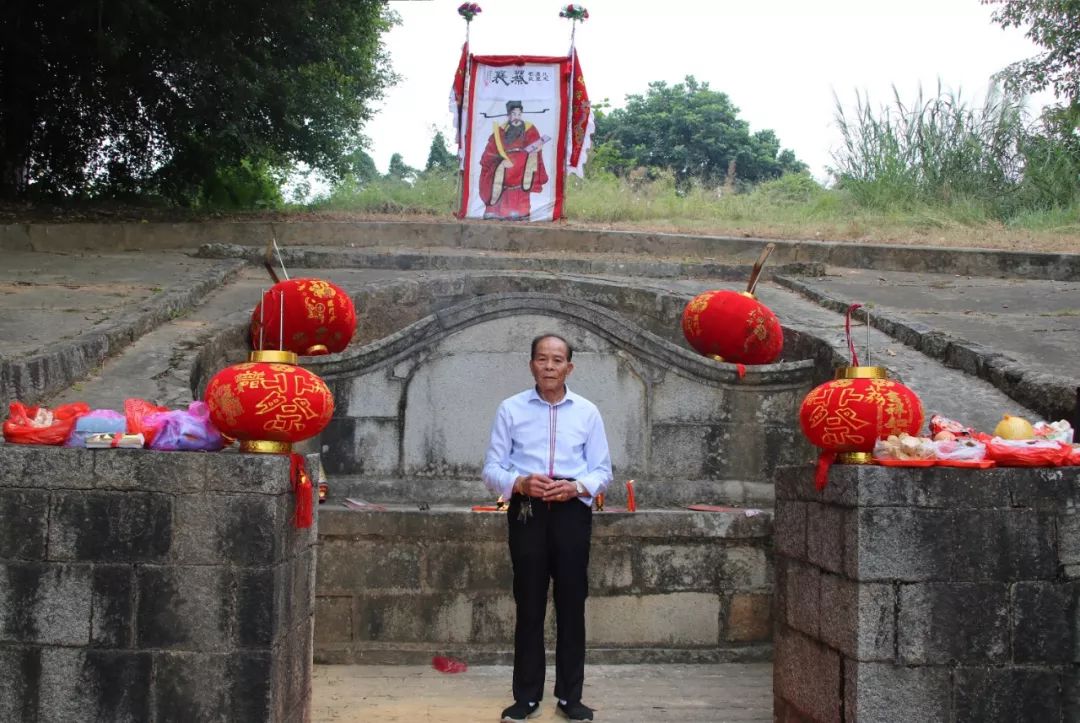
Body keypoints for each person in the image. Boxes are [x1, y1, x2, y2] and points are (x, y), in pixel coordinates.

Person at [482, 334, 612, 722]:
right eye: (543, 359)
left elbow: (603, 471)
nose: (550, 366)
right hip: (527, 510)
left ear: (570, 367)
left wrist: (576, 486)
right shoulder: (511, 409)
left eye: (558, 360)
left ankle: (571, 697)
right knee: (529, 603)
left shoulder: (587, 412)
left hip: (572, 510)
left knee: (572, 603)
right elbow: (491, 469)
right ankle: (526, 696)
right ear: (532, 365)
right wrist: (521, 483)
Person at [478, 100, 549, 221]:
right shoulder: (500, 131)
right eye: (514, 114)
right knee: (497, 178)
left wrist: (538, 148)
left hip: (524, 165)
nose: (517, 117)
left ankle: (521, 210)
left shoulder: (529, 128)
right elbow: (490, 152)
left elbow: (535, 144)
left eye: (519, 114)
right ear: (508, 115)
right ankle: (495, 210)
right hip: (504, 165)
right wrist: (500, 161)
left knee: (522, 183)